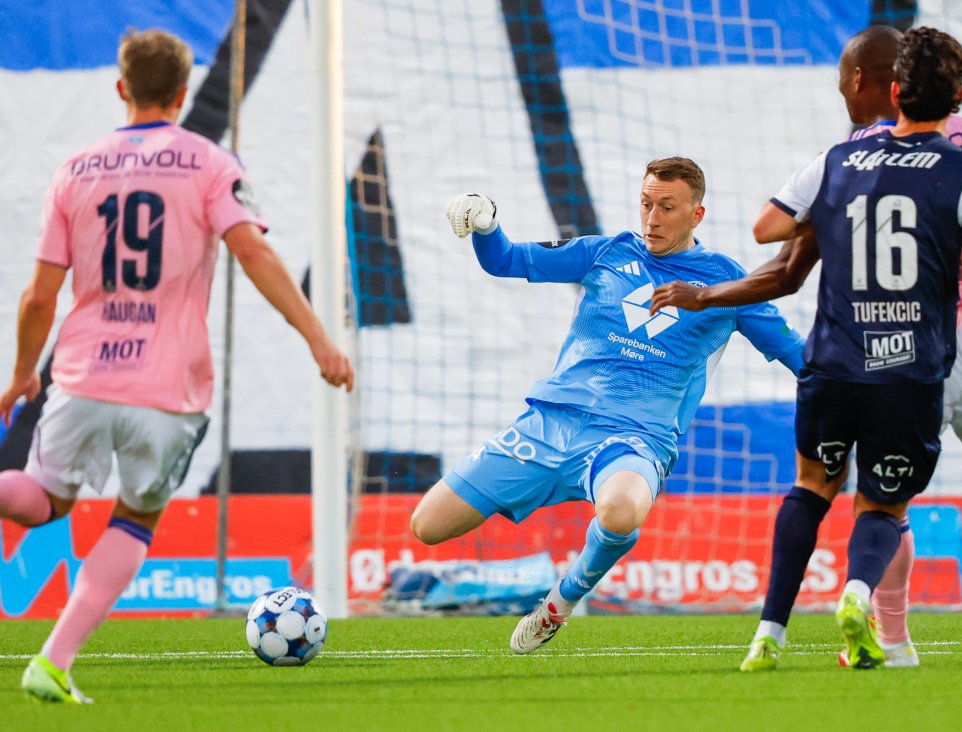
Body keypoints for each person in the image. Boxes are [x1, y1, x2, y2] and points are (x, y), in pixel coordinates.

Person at [649, 24, 962, 669]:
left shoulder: (849, 158)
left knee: (882, 498)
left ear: (877, 84)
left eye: (842, 79)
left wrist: (713, 290)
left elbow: (780, 253)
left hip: (914, 341)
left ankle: (889, 639)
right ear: (955, 91)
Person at [0, 29, 354, 703]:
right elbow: (254, 254)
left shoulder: (75, 170)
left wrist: (21, 372)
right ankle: (53, 661)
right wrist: (318, 339)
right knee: (136, 517)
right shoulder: (210, 164)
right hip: (168, 388)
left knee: (43, 499)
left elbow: (39, 296)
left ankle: (53, 655)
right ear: (185, 93)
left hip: (83, 375)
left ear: (121, 88)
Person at [412, 157, 804, 654]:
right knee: (428, 526)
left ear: (697, 215)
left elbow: (795, 353)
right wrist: (487, 224)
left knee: (620, 512)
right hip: (549, 423)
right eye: (646, 204)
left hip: (634, 437)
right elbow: (504, 260)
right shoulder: (606, 252)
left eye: (667, 207)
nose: (652, 218)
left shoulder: (726, 282)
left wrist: (857, 389)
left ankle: (560, 601)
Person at [734, 26, 962, 671]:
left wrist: (840, 212)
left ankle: (768, 634)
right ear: (958, 98)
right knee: (883, 504)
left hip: (833, 361)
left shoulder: (837, 159)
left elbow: (766, 228)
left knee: (811, 487)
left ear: (894, 92)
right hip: (909, 371)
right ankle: (857, 593)